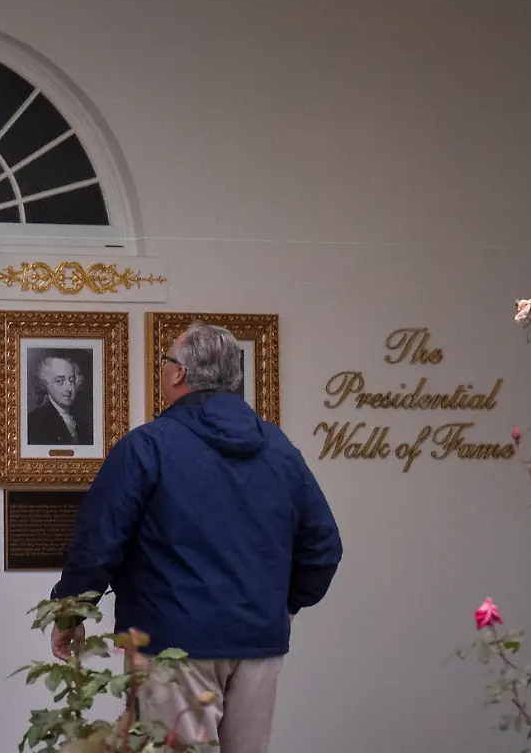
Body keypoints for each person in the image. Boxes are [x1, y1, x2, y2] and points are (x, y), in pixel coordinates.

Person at [49, 321, 342, 753]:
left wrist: (69, 613)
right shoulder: (279, 450)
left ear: (179, 373)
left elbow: (99, 543)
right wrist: (285, 606)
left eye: (166, 360)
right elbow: (323, 548)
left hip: (172, 643)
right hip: (257, 642)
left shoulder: (147, 446)